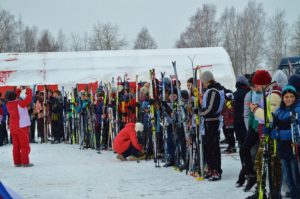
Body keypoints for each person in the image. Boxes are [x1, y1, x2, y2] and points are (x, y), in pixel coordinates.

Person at [272, 85, 300, 199]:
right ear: (282, 98)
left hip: (295, 147)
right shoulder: (279, 111)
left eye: (291, 96)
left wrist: (280, 133)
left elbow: (296, 129)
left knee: (295, 176)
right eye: (286, 96)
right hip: (283, 147)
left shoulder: (298, 109)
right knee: (288, 177)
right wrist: (274, 132)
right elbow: (274, 128)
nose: (289, 99)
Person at [199, 71, 225, 181]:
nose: (203, 84)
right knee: (208, 146)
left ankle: (216, 170)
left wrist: (200, 112)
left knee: (213, 147)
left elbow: (211, 109)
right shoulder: (209, 90)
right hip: (208, 122)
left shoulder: (213, 91)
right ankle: (210, 168)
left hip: (212, 122)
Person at [5, 86, 33, 167]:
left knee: (16, 146)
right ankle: (25, 162)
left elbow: (14, 97)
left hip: (13, 127)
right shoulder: (19, 103)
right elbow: (28, 99)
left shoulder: (8, 104)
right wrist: (28, 90)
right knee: (24, 145)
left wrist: (18, 90)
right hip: (21, 126)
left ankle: (17, 162)